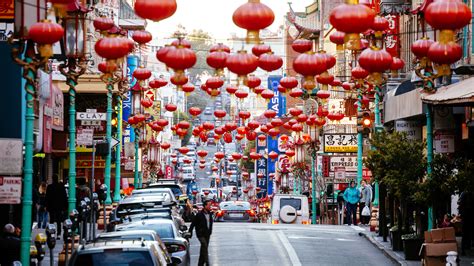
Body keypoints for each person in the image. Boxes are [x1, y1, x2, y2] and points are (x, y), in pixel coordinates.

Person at [189, 200, 213, 266]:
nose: (210, 206)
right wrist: (190, 232)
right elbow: (193, 223)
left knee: (203, 249)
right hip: (200, 234)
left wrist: (210, 231)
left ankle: (200, 263)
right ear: (205, 206)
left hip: (207, 234)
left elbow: (210, 224)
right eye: (209, 205)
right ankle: (207, 262)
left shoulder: (210, 214)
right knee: (204, 245)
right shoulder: (199, 214)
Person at [46, 174, 68, 239]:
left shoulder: (49, 187)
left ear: (52, 179)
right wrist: (65, 206)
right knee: (59, 220)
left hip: (51, 206)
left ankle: (51, 233)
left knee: (52, 220)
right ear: (57, 179)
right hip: (59, 206)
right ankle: (58, 234)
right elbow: (64, 197)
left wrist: (46, 206)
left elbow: (47, 197)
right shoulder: (61, 186)